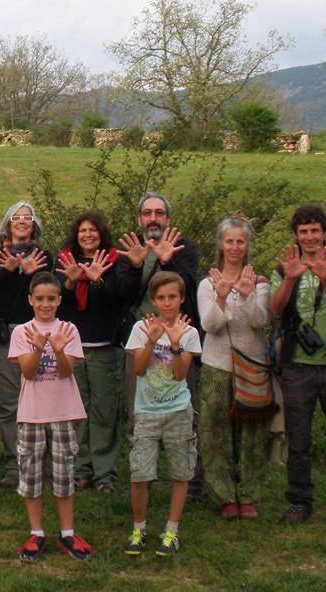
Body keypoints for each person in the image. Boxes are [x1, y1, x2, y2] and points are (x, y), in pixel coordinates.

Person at [270, 204, 326, 531]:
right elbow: (275, 308)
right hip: (297, 366)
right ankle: (299, 500)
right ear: (296, 235)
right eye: (303, 231)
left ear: (324, 233)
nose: (309, 237)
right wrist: (291, 280)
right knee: (298, 439)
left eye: (315, 230)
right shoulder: (284, 269)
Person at [118, 191, 204, 500]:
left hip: (179, 337)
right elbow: (122, 297)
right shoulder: (131, 251)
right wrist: (136, 266)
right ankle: (142, 475)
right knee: (137, 409)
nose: (153, 218)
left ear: (167, 218)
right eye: (147, 213)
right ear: (139, 219)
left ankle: (191, 479)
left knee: (185, 406)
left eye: (159, 213)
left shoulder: (185, 249)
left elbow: (189, 289)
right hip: (141, 337)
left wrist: (169, 261)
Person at [10, 272, 96, 564]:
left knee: (63, 475)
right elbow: (29, 372)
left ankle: (67, 533)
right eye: (40, 299)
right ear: (31, 300)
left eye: (51, 299)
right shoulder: (22, 331)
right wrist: (38, 347)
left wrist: (58, 349)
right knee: (31, 475)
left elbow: (68, 371)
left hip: (62, 413)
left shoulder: (69, 329)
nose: (45, 305)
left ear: (59, 300)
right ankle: (37, 532)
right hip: (32, 415)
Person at [198, 216, 272, 520]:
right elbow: (210, 325)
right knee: (216, 432)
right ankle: (225, 495)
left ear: (247, 246)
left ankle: (249, 494)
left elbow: (260, 321)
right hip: (217, 365)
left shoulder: (260, 282)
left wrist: (244, 293)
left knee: (253, 432)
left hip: (252, 366)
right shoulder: (207, 283)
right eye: (229, 241)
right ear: (220, 244)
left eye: (240, 241)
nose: (234, 247)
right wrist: (220, 296)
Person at [123, 272, 202, 558]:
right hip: (146, 412)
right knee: (140, 474)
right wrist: (150, 342)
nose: (167, 303)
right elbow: (139, 369)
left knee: (180, 473)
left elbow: (181, 374)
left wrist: (177, 345)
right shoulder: (141, 328)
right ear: (153, 300)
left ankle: (172, 530)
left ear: (181, 299)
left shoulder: (190, 332)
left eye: (172, 297)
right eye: (161, 298)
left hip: (178, 410)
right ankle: (139, 528)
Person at [55, 211, 123, 495]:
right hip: (73, 347)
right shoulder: (65, 261)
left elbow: (117, 301)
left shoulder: (113, 261)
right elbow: (57, 303)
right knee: (77, 411)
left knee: (104, 412)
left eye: (93, 230)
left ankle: (104, 473)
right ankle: (80, 470)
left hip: (105, 347)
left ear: (101, 233)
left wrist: (97, 280)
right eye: (82, 230)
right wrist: (71, 282)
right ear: (76, 234)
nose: (87, 235)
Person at [0, 201, 53, 488]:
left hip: (37, 337)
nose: (22, 221)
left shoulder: (45, 256)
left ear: (34, 225)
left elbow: (44, 283)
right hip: (5, 337)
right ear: (8, 224)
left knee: (41, 401)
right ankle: (14, 464)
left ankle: (41, 462)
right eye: (17, 217)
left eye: (27, 217)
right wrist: (15, 269)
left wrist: (27, 271)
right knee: (8, 402)